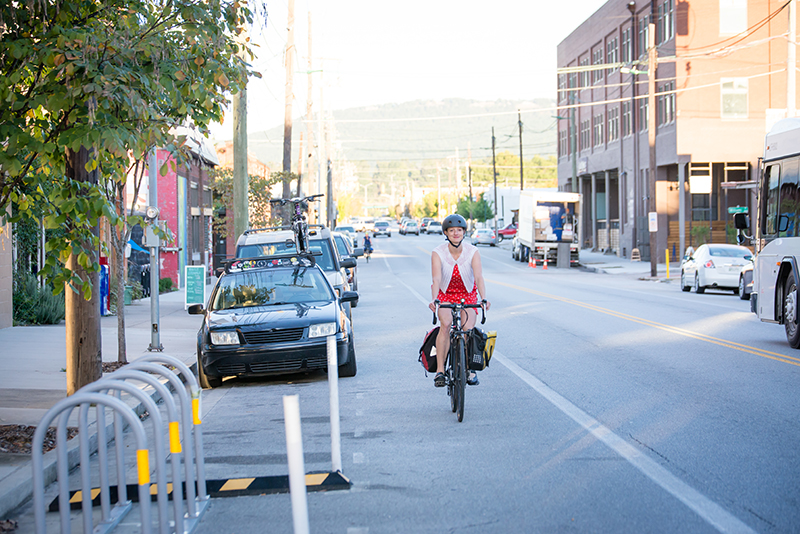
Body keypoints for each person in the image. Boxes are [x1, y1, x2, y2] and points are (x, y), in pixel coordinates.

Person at [428, 214, 490, 387]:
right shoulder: (438, 252)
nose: (456, 233)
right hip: (445, 295)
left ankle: (469, 369)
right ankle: (440, 370)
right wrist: (434, 299)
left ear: (464, 232)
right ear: (446, 233)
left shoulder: (472, 252)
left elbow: (478, 277)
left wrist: (484, 298)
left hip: (467, 295)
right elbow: (437, 279)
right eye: (452, 230)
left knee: (468, 330)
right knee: (446, 325)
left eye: (459, 230)